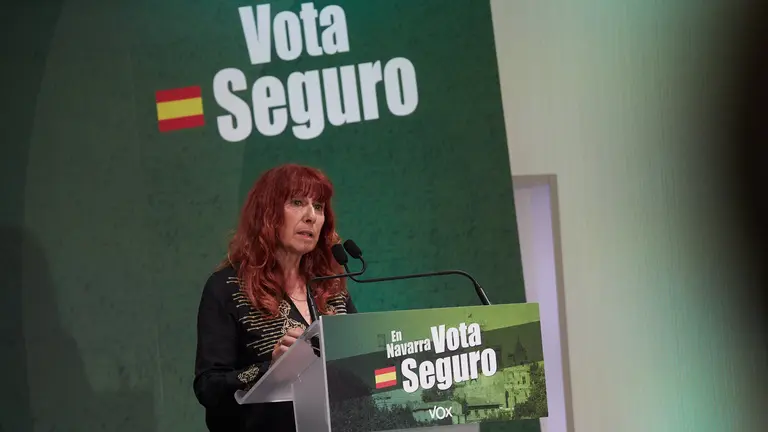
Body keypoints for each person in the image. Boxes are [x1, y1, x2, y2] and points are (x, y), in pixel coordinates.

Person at [193, 164, 357, 432]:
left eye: (318, 206)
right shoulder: (227, 288)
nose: (311, 216)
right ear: (267, 213)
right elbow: (208, 387)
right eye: (297, 202)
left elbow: (361, 366)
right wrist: (270, 369)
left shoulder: (331, 286)